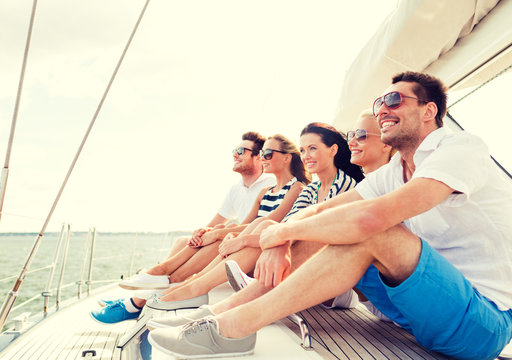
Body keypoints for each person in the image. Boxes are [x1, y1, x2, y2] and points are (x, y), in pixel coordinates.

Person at [148, 72, 512, 360]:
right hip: (415, 310)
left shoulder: (461, 148)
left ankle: (232, 329)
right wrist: (283, 234)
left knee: (372, 230)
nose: (382, 109)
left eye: (393, 100)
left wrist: (275, 236)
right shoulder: (394, 170)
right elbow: (320, 209)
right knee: (318, 225)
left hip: (481, 322)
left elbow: (370, 220)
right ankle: (220, 313)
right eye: (379, 102)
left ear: (429, 110)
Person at [146, 121, 367, 326]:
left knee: (263, 228)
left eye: (312, 148)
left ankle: (193, 289)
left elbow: (322, 235)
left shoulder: (346, 185)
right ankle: (192, 287)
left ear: (333, 150)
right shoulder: (312, 189)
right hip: (303, 268)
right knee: (264, 225)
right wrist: (249, 238)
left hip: (333, 281)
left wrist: (245, 241)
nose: (306, 155)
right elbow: (287, 225)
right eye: (302, 150)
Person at [90, 131, 275, 323]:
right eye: (234, 151)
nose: (235, 155)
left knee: (214, 239)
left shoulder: (270, 183)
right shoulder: (236, 189)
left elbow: (256, 225)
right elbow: (217, 220)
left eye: (241, 151)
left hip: (245, 249)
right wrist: (201, 232)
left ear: (258, 157)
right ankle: (144, 294)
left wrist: (217, 233)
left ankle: (137, 301)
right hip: (233, 240)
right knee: (183, 241)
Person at [144, 134, 311, 310]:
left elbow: (271, 223)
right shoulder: (265, 192)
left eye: (268, 154)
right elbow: (246, 224)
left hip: (270, 254)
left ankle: (180, 281)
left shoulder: (297, 188)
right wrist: (224, 233)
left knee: (253, 225)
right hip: (255, 246)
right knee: (228, 228)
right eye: (262, 154)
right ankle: (182, 280)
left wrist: (226, 236)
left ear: (287, 157)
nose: (263, 158)